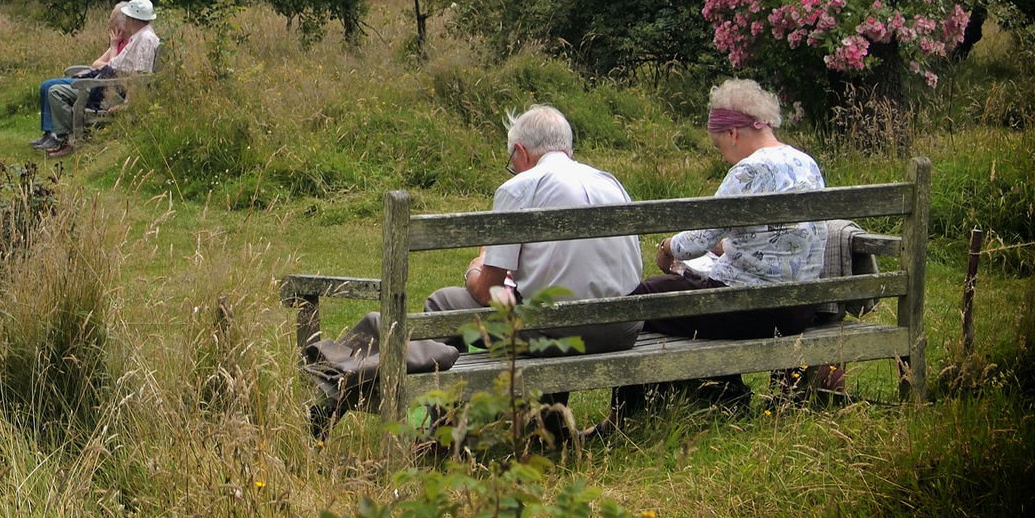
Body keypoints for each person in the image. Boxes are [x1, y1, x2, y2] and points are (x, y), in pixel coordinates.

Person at [304, 105, 643, 441]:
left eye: (510, 163)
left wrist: (476, 266)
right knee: (534, 309)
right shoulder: (609, 182)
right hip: (622, 329)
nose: (512, 170)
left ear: (520, 152)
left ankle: (429, 432)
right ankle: (546, 426)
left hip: (563, 331)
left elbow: (485, 293)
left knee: (443, 302)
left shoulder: (523, 187)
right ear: (566, 147)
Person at [585, 79, 827, 438]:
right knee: (687, 292)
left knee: (643, 297)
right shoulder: (805, 163)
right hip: (800, 305)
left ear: (732, 133)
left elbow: (697, 240)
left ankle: (624, 421)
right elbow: (776, 239)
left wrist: (667, 247)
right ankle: (727, 393)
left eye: (718, 147)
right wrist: (727, 249)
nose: (722, 155)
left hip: (753, 306)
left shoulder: (748, 170)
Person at [32, 0, 159, 157]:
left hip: (112, 89)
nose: (125, 19)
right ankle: (67, 138)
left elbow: (139, 76)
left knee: (56, 92)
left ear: (133, 19)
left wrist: (127, 104)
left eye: (127, 16)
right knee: (54, 89)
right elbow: (114, 65)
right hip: (105, 82)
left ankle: (72, 139)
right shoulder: (139, 36)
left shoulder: (145, 39)